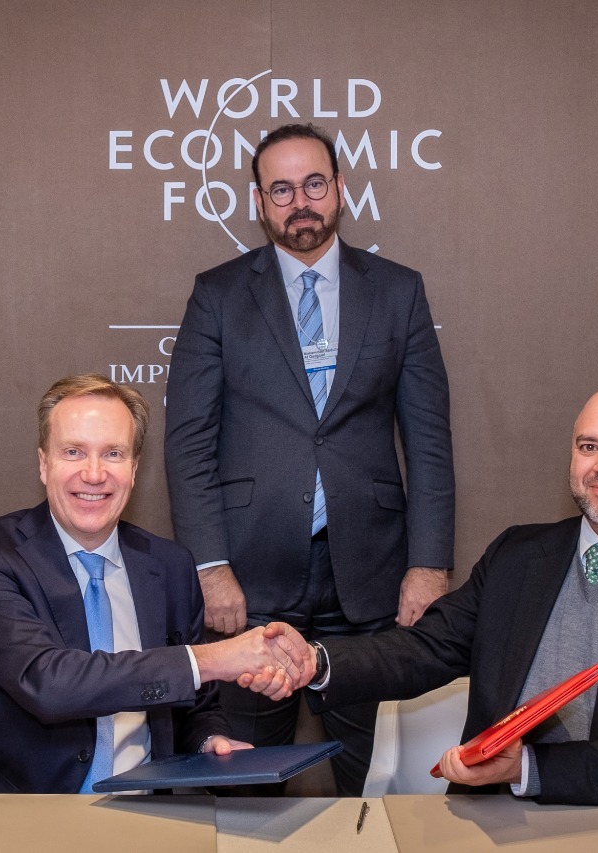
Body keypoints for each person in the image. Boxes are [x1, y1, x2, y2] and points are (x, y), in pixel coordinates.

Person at [283, 386, 598, 804]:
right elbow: (426, 647)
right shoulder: (517, 555)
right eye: (589, 446)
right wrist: (316, 662)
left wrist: (528, 769)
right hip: (491, 816)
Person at [164, 122, 456, 795]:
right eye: (282, 189)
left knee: (374, 779)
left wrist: (429, 565)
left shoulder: (398, 291)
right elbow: (188, 442)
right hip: (251, 579)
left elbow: (429, 441)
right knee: (243, 778)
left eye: (315, 184)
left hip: (370, 581)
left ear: (341, 189)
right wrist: (211, 569)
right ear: (259, 202)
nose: (301, 202)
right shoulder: (217, 294)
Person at [0, 374, 307, 794]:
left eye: (113, 453)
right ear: (43, 464)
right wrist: (215, 658)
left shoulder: (170, 565)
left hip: (142, 809)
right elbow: (48, 683)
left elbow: (193, 705)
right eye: (73, 452)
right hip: (18, 807)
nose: (94, 474)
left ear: (134, 468)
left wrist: (208, 741)